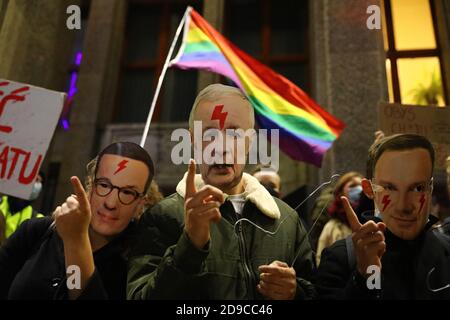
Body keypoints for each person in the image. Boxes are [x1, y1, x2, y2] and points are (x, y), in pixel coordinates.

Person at [127, 83, 315, 300]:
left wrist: (295, 293)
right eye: (210, 134)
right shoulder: (163, 216)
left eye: (234, 133)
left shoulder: (287, 221)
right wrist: (190, 246)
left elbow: (314, 289)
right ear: (192, 141)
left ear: (250, 142)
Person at [0, 141, 155, 299]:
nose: (110, 203)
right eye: (104, 185)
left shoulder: (138, 267)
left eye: (128, 192)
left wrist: (76, 240)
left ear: (140, 204)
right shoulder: (36, 231)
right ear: (90, 186)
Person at [316, 134, 450, 299]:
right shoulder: (341, 258)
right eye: (390, 188)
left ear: (430, 188)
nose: (403, 206)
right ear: (369, 189)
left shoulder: (446, 252)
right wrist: (365, 277)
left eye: (417, 188)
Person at [315, 172, 363, 266]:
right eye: (353, 186)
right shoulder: (332, 227)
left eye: (361, 186)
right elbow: (320, 259)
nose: (358, 189)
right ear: (341, 191)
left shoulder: (370, 220)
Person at [0, 173, 45, 239]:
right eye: (30, 178)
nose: (33, 183)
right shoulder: (1, 202)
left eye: (37, 180)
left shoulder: (38, 220)